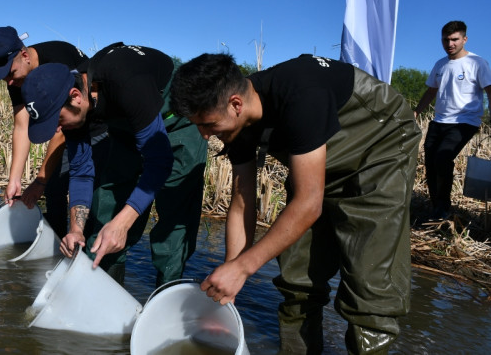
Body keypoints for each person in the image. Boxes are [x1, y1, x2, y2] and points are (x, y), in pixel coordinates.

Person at [169, 53, 421, 354]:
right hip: (316, 163)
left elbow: (309, 204)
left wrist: (246, 267)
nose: (205, 135)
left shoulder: (302, 94)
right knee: (297, 277)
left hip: (380, 148)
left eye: (208, 124)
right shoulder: (236, 125)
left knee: (370, 287)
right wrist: (231, 273)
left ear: (236, 104)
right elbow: (241, 201)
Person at [20, 43, 208, 286]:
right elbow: (82, 173)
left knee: (173, 222)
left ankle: (165, 298)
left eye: (57, 121)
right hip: (126, 127)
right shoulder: (77, 104)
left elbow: (160, 162)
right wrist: (76, 229)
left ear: (76, 98)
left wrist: (123, 223)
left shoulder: (126, 82)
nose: (56, 130)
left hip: (176, 123)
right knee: (106, 207)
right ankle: (102, 292)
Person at [0, 26, 107, 238]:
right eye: (3, 77)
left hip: (93, 128)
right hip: (65, 128)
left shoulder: (58, 59)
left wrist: (39, 181)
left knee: (91, 191)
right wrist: (15, 180)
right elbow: (21, 126)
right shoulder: (16, 76)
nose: (9, 82)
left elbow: (61, 128)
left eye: (10, 74)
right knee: (54, 189)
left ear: (25, 55)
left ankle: (88, 249)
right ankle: (55, 244)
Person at [414, 20, 491, 219]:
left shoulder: (477, 63)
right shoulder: (440, 64)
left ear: (464, 39)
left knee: (442, 157)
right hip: (439, 120)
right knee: (430, 161)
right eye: (446, 40)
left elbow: (489, 90)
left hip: (465, 121)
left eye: (455, 39)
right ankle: (435, 206)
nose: (450, 44)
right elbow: (431, 90)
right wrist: (417, 112)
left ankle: (444, 207)